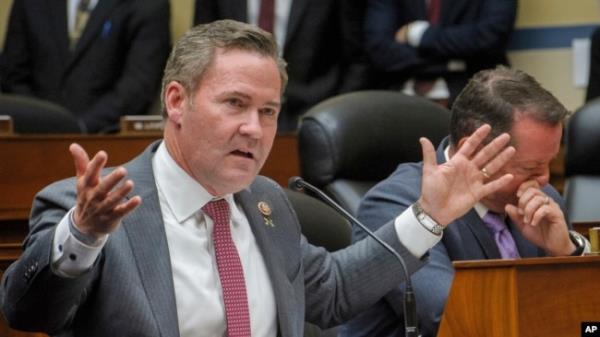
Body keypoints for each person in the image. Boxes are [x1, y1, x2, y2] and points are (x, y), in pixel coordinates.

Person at [1, 20, 516, 337]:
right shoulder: (89, 207)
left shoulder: (265, 201)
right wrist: (84, 237)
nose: (255, 128)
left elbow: (331, 291)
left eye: (269, 111)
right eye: (235, 104)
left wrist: (430, 217)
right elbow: (27, 313)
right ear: (176, 101)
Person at [341, 66, 591, 337]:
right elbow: (451, 317)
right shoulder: (398, 204)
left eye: (550, 163)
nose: (543, 179)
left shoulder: (544, 202)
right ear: (473, 149)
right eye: (530, 168)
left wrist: (567, 254)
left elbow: (586, 319)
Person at [194, 0, 371, 132]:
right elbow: (202, 51)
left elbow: (356, 59)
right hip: (233, 114)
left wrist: (336, 115)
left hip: (313, 115)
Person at [0, 0, 171, 133]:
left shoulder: (148, 4)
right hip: (29, 141)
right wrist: (42, 121)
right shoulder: (30, 3)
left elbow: (137, 86)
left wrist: (79, 127)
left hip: (106, 142)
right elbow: (13, 75)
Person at [364, 0, 516, 106]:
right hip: (398, 95)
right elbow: (380, 50)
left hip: (471, 95)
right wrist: (452, 62)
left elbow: (489, 37)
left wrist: (417, 33)